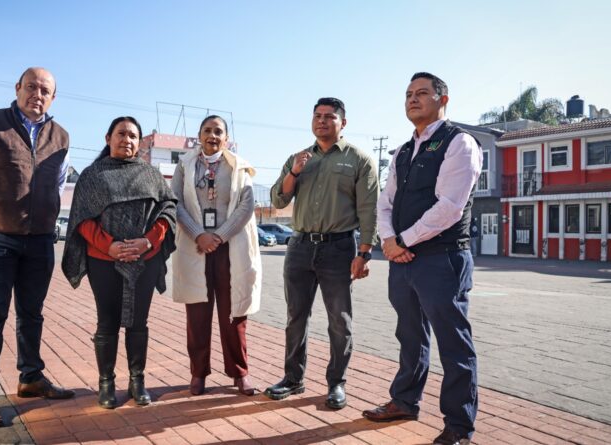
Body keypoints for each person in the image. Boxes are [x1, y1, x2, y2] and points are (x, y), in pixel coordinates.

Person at [363, 72, 482, 445]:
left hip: (442, 258)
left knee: (453, 342)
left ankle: (458, 426)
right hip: (402, 262)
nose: (413, 99)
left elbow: (450, 207)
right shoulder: (402, 151)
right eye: (408, 94)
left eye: (422, 93)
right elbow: (386, 202)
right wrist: (388, 240)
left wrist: (402, 240)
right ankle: (404, 401)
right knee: (410, 335)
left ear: (443, 99)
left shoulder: (459, 143)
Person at [0, 67, 73, 428]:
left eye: (45, 90)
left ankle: (31, 378)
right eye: (31, 87)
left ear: (53, 97)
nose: (37, 94)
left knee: (32, 313)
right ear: (18, 88)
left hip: (39, 238)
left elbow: (57, 184)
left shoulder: (61, 136)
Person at [265, 97, 379, 409]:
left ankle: (336, 383)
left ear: (343, 122)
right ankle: (293, 378)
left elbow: (369, 209)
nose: (322, 121)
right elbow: (277, 199)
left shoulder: (359, 160)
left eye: (330, 116)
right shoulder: (299, 158)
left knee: (339, 320)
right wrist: (294, 172)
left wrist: (365, 252)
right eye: (317, 116)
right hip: (299, 247)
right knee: (295, 317)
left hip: (339, 248)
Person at [62, 117, 177, 409]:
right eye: (121, 134)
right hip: (103, 260)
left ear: (140, 143)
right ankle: (106, 382)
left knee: (139, 322)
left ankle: (137, 381)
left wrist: (148, 241)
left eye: (133, 136)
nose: (127, 140)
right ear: (108, 138)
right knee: (107, 321)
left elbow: (168, 210)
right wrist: (109, 246)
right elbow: (81, 220)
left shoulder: (151, 175)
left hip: (145, 259)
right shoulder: (93, 176)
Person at [170, 115, 262, 396]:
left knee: (234, 313)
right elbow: (175, 202)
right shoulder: (184, 166)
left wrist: (219, 236)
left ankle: (239, 372)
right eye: (207, 130)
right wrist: (199, 234)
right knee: (197, 315)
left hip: (230, 249)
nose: (212, 135)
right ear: (199, 135)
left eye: (218, 131)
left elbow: (246, 206)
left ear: (226, 138)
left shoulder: (239, 167)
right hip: (195, 247)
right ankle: (198, 373)